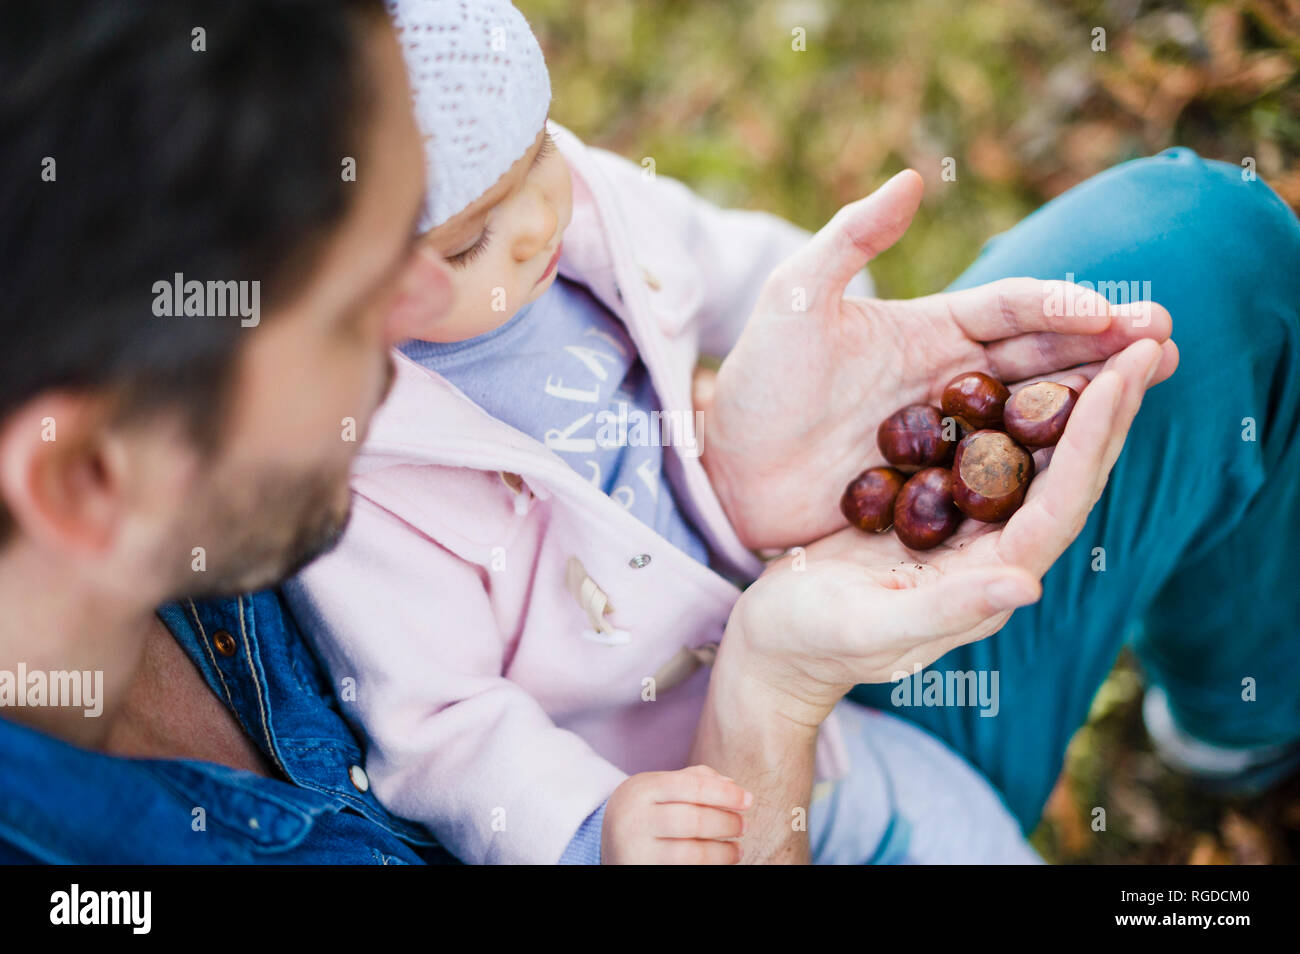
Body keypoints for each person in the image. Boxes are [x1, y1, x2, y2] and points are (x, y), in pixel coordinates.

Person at [1, 0, 1283, 866]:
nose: (414, 322)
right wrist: (756, 720)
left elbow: (693, 261)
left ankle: (1236, 723)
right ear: (90, 477)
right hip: (693, 790)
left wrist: (759, 430)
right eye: (353, 301)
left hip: (775, 606)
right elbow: (450, 729)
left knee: (1196, 265)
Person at [285, 0, 1043, 866]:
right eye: (467, 243)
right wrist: (588, 821)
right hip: (660, 774)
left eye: (540, 151)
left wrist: (837, 340)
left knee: (957, 833)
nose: (539, 218)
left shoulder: (591, 215)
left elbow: (733, 267)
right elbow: (439, 724)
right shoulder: (369, 474)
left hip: (794, 623)